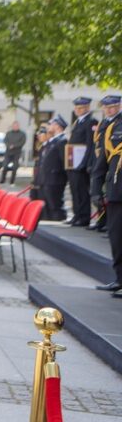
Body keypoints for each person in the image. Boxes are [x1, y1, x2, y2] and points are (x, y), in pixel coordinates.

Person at [91, 94, 121, 295]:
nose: (110, 110)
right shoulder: (111, 128)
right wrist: (96, 191)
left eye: (114, 106)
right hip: (117, 191)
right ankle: (119, 278)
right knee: (116, 237)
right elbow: (102, 163)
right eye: (107, 107)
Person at [66, 96, 97, 226]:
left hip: (82, 163)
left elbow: (90, 145)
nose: (78, 110)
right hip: (73, 162)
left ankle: (84, 217)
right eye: (77, 108)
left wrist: (85, 163)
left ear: (88, 108)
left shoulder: (91, 122)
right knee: (74, 190)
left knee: (82, 191)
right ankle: (77, 214)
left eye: (81, 108)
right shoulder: (77, 122)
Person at [40, 115, 69, 221]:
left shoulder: (62, 141)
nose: (49, 126)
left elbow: (63, 161)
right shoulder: (53, 141)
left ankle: (58, 221)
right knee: (49, 204)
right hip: (48, 177)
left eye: (51, 124)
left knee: (55, 204)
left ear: (57, 126)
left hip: (55, 178)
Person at [1, 121, 26, 185]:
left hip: (16, 153)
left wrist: (14, 146)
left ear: (18, 126)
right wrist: (9, 145)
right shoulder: (8, 133)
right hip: (8, 152)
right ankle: (2, 180)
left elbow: (22, 142)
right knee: (5, 166)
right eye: (14, 126)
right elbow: (5, 140)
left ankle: (12, 181)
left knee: (15, 167)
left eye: (16, 126)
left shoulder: (22, 134)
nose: (15, 127)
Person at [30, 125, 48, 201]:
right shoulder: (41, 146)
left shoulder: (48, 146)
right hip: (37, 178)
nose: (38, 136)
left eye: (41, 134)